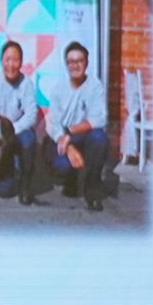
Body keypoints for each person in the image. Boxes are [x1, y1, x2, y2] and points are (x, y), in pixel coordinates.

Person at [0, 39, 42, 202]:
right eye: (7, 59)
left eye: (15, 60)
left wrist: (11, 130)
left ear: (21, 62)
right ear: (1, 61)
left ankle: (25, 185)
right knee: (4, 191)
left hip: (14, 134)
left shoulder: (26, 84)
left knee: (29, 138)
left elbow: (31, 114)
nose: (11, 65)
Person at [46, 41, 110, 211]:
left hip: (83, 136)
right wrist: (68, 146)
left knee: (100, 138)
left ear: (86, 63)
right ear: (66, 65)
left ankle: (92, 190)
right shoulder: (58, 89)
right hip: (62, 138)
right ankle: (70, 179)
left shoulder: (95, 86)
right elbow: (53, 124)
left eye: (79, 61)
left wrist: (71, 133)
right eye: (71, 61)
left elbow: (99, 119)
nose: (75, 65)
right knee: (62, 166)